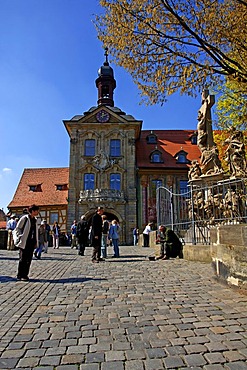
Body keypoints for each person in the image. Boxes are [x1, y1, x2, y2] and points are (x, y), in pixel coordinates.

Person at [14, 204, 39, 281]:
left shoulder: (35, 220)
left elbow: (35, 231)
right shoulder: (24, 218)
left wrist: (35, 241)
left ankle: (25, 275)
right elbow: (18, 228)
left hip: (31, 242)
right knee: (23, 259)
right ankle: (20, 275)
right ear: (33, 211)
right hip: (24, 241)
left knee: (29, 259)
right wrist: (20, 237)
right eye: (37, 210)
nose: (38, 212)